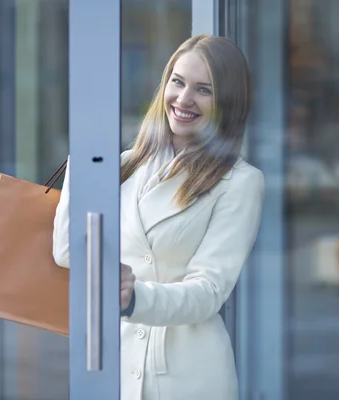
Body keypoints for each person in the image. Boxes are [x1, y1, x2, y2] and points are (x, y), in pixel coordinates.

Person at [52, 34, 264, 400]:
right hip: (113, 364)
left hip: (188, 376)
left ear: (228, 102)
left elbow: (209, 291)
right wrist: (81, 163)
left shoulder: (240, 182)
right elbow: (67, 253)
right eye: (178, 82)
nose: (183, 99)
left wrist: (134, 299)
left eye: (204, 90)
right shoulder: (121, 165)